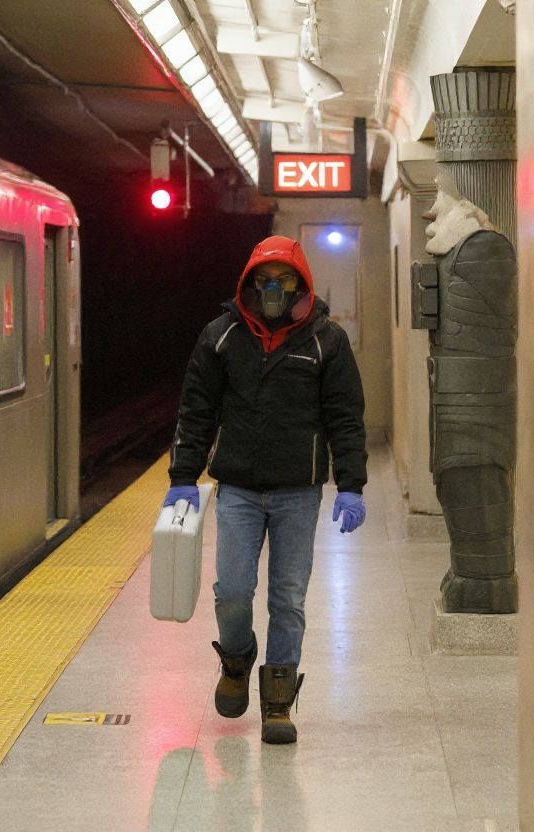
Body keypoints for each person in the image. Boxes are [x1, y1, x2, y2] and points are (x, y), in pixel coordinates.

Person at [165, 234, 367, 744]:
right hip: (238, 489)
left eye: (284, 279)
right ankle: (236, 661)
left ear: (302, 282)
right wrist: (182, 477)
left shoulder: (327, 340)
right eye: (264, 279)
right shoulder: (221, 335)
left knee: (288, 597)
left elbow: (346, 418)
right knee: (232, 591)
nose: (273, 288)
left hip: (299, 492)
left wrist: (352, 484)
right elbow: (197, 409)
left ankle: (278, 704)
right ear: (249, 282)